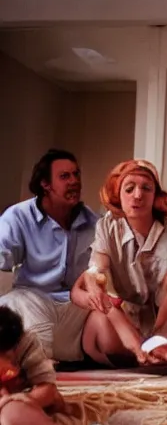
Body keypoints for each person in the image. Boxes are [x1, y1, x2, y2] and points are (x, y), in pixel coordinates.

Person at [71, 160, 167, 372]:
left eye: (146, 188)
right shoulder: (107, 225)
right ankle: (141, 353)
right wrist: (100, 295)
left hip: (165, 311)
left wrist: (159, 329)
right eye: (129, 189)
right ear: (118, 194)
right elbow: (95, 272)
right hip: (122, 311)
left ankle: (161, 350)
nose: (138, 195)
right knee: (99, 328)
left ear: (155, 195)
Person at [0, 149, 99, 363]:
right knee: (18, 301)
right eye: (65, 176)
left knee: (114, 308)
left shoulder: (93, 222)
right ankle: (40, 366)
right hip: (32, 299)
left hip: (74, 305)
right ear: (45, 184)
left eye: (76, 175)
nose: (74, 181)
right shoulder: (18, 217)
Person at [0, 306, 116, 425]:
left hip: (13, 406)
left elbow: (47, 388)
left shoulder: (24, 342)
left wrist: (25, 401)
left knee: (12, 414)